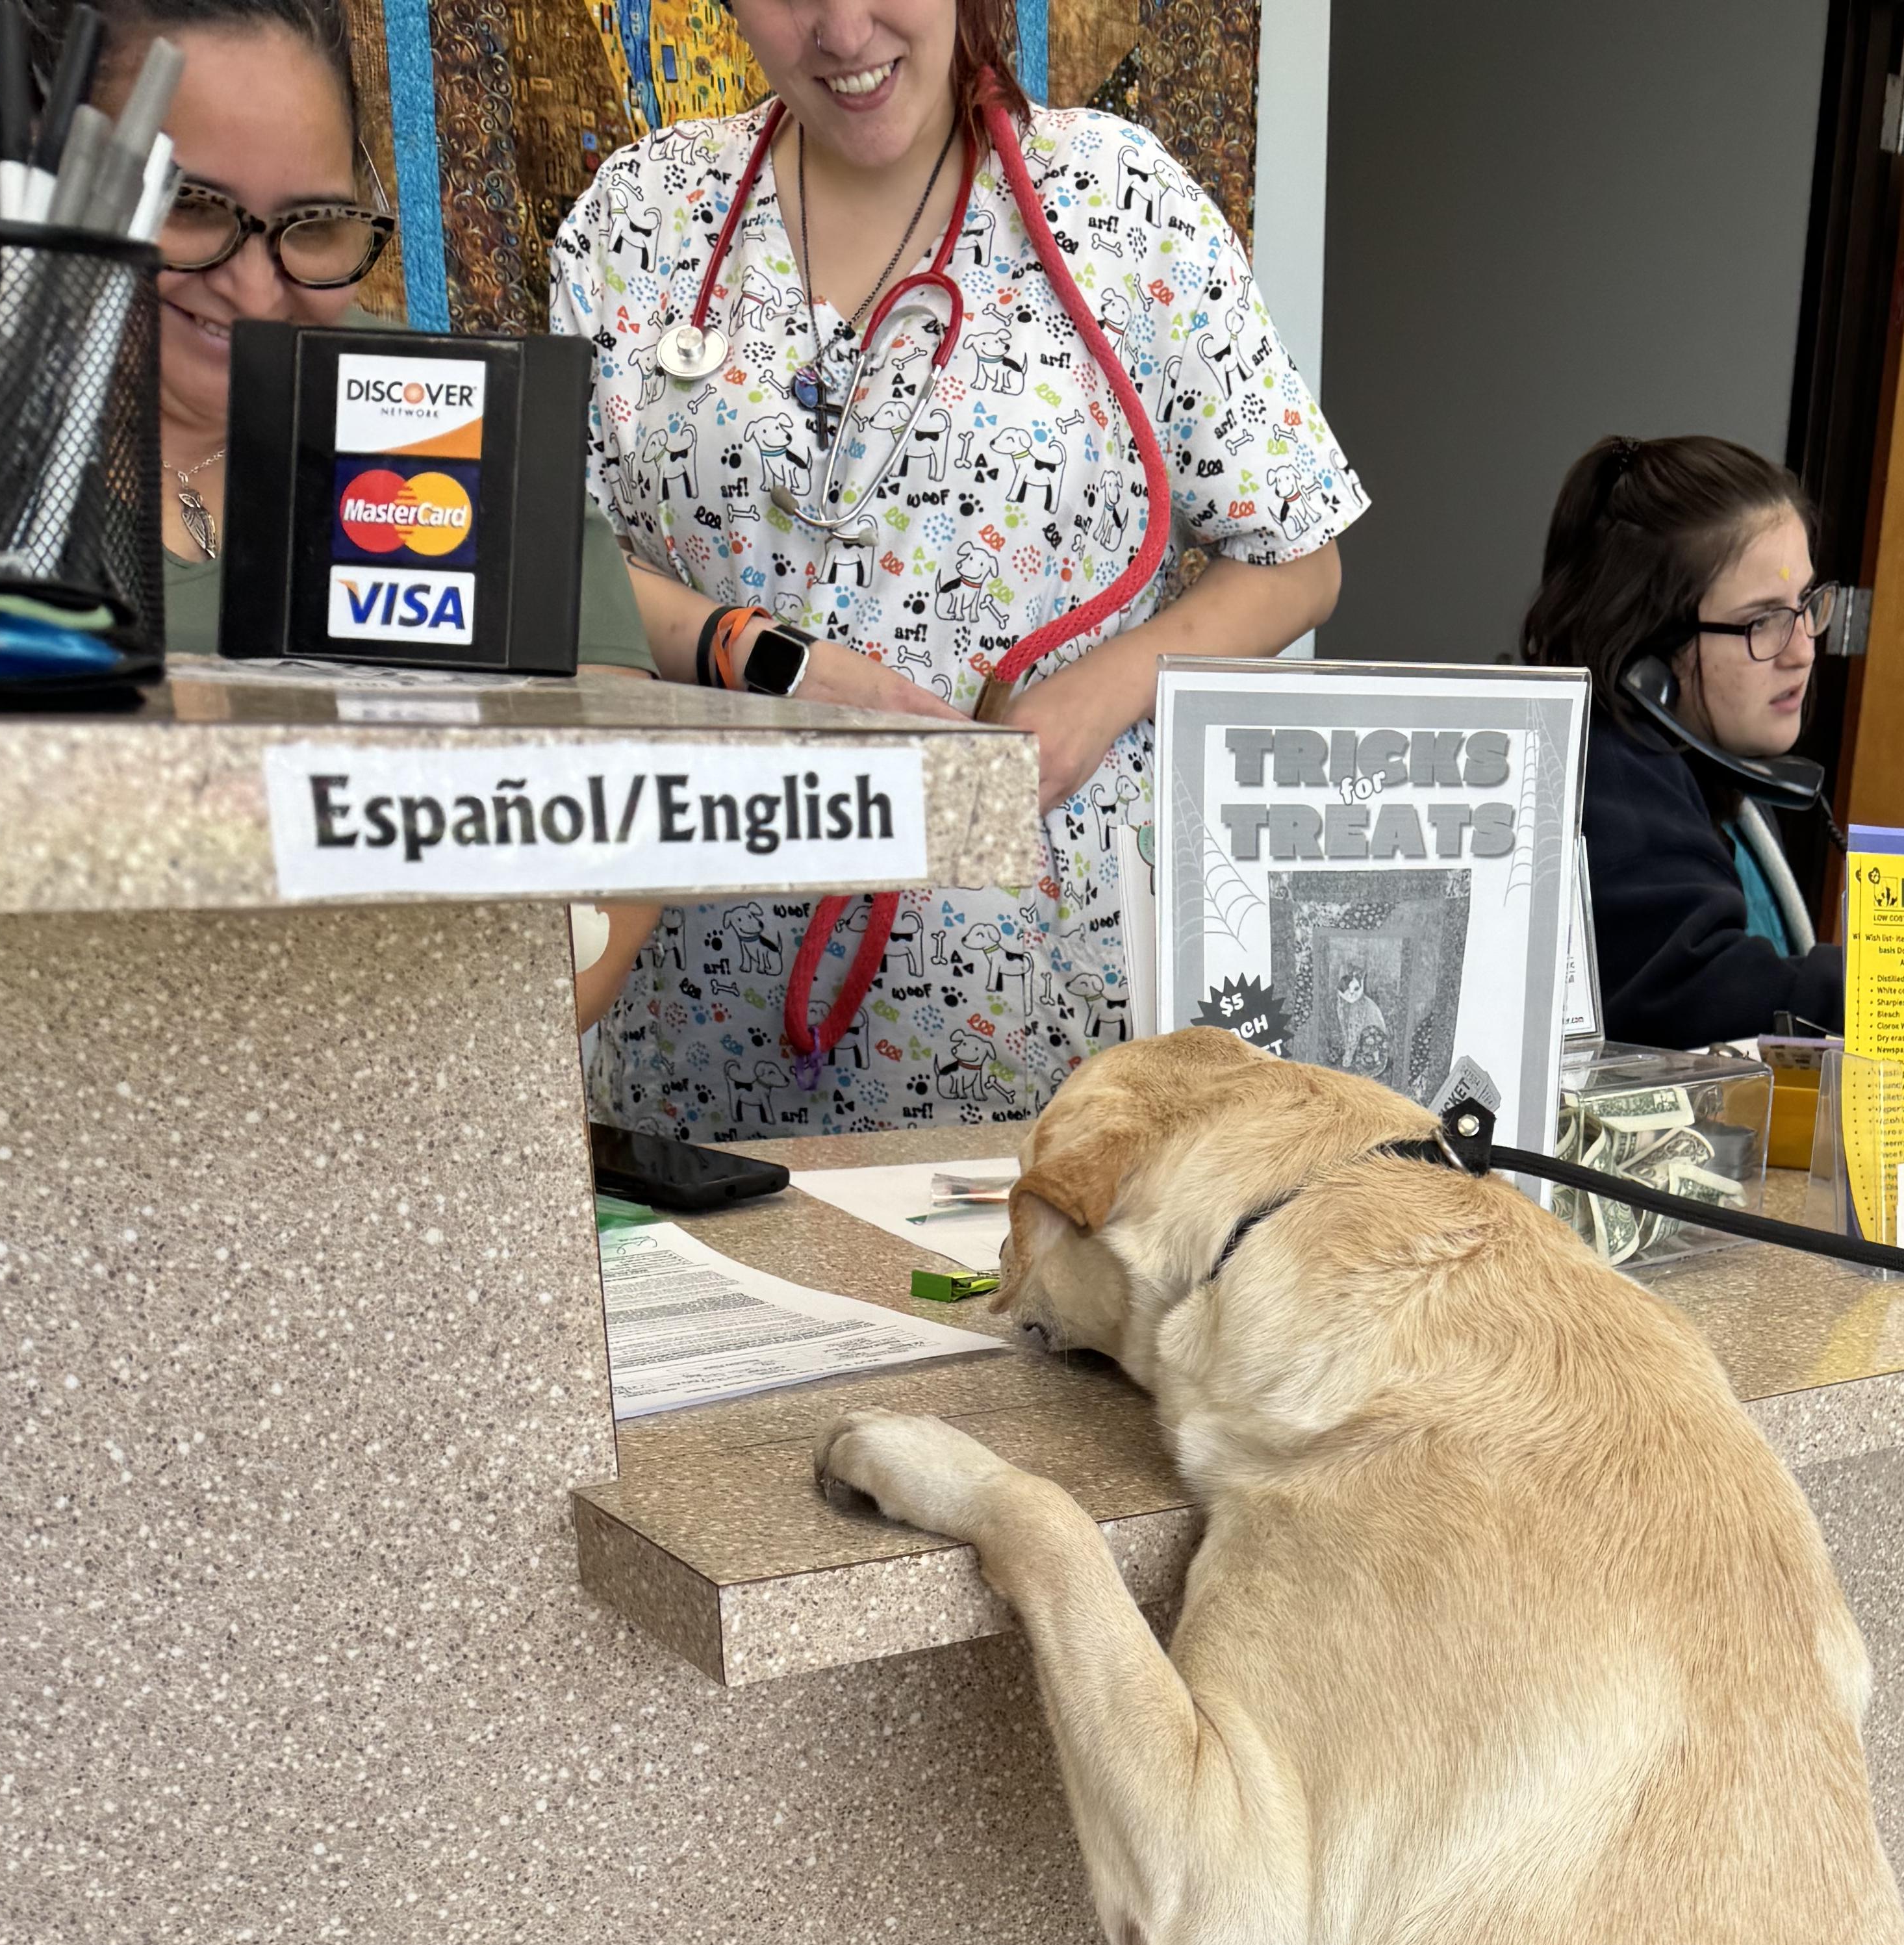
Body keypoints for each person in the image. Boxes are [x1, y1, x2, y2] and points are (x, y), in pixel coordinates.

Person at [550, 0, 1363, 1135]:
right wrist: (765, 656)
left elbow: (1294, 558)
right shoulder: (639, 218)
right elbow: (556, 563)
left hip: (1041, 1019)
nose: (840, 31)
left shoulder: (1118, 205)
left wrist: (1087, 704)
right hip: (696, 1014)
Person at [105, 0, 658, 1025]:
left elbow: (614, 830)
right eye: (188, 207)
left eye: (311, 226)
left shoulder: (446, 416)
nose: (251, 283)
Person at [1524, 433, 1904, 1054]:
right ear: (1648, 659)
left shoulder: (1718, 779)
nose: (1803, 650)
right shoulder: (1609, 781)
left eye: (1805, 605)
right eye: (1762, 621)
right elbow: (1706, 997)